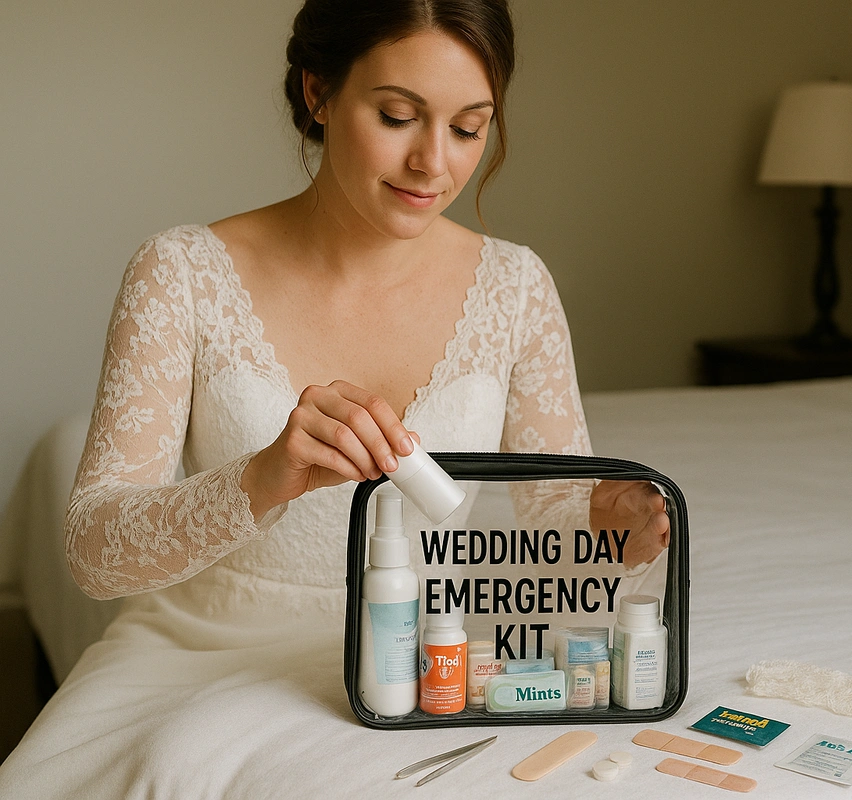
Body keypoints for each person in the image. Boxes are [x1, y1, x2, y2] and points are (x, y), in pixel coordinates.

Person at [0, 1, 668, 795]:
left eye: (468, 128)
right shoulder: (180, 273)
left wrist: (612, 524)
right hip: (207, 659)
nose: (433, 163)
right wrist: (259, 480)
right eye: (397, 116)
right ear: (318, 92)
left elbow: (553, 516)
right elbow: (93, 551)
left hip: (419, 665)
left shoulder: (517, 286)